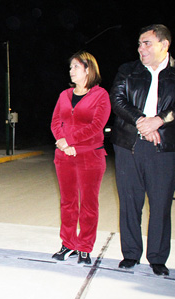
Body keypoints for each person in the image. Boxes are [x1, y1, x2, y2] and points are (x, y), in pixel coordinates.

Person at [111, 24, 175, 276]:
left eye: (146, 43)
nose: (141, 48)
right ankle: (131, 254)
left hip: (166, 148)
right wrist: (141, 120)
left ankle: (157, 258)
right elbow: (117, 100)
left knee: (160, 204)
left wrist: (159, 120)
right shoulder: (128, 70)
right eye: (139, 44)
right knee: (129, 202)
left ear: (164, 44)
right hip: (129, 144)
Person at [50, 51, 111, 265]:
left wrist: (72, 141)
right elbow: (55, 123)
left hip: (90, 156)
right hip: (64, 156)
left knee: (88, 203)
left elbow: (97, 126)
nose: (71, 71)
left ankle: (85, 247)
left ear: (88, 69)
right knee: (67, 202)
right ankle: (68, 244)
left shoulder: (100, 95)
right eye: (70, 67)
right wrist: (63, 142)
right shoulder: (64, 95)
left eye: (75, 67)